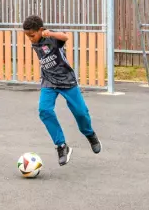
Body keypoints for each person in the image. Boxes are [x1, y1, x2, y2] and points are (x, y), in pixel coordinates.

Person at [22, 15, 101, 166]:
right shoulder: (35, 41)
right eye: (27, 36)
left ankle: (90, 134)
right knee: (44, 110)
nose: (30, 39)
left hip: (66, 80)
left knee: (81, 113)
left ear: (41, 30)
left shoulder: (52, 39)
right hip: (49, 81)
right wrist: (35, 36)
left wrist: (50, 33)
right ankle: (61, 146)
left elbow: (65, 37)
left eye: (32, 35)